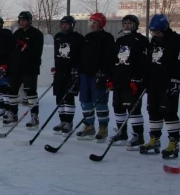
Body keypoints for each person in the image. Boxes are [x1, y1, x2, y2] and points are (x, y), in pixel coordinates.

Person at [140, 14, 180, 159]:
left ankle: (174, 142)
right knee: (153, 111)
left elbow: (179, 63)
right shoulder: (154, 42)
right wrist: (145, 79)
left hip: (168, 83)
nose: (156, 34)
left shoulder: (176, 41)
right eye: (153, 32)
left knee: (169, 112)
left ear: (165, 28)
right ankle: (154, 140)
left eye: (158, 31)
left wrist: (176, 80)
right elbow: (149, 62)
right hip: (154, 83)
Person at [107, 15, 149, 150]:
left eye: (130, 23)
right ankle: (122, 133)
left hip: (132, 81)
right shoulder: (119, 40)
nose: (126, 26)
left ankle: (138, 136)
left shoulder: (141, 40)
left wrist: (136, 79)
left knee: (133, 109)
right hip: (119, 79)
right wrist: (111, 78)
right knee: (118, 107)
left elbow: (143, 63)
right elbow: (115, 60)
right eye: (124, 23)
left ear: (136, 25)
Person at [76, 12, 116, 142]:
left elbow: (110, 57)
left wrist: (104, 72)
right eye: (91, 22)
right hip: (85, 75)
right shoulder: (87, 37)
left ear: (101, 23)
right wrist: (79, 70)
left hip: (99, 75)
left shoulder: (107, 38)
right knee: (85, 101)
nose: (92, 25)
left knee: (99, 101)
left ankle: (103, 127)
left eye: (95, 22)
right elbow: (82, 56)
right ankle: (89, 126)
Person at [3, 11, 44, 129]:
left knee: (30, 92)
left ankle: (34, 116)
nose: (22, 22)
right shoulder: (17, 33)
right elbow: (11, 51)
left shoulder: (37, 34)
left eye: (24, 20)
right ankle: (13, 114)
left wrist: (27, 48)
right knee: (12, 90)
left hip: (30, 68)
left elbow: (37, 53)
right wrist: (7, 66)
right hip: (16, 68)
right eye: (20, 20)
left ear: (29, 21)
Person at [51, 16, 84, 136]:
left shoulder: (78, 38)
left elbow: (81, 56)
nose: (64, 26)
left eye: (67, 24)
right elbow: (56, 54)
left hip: (71, 72)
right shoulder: (58, 37)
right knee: (59, 96)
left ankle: (69, 122)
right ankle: (62, 121)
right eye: (63, 24)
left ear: (72, 25)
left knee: (69, 96)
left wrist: (78, 69)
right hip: (59, 72)